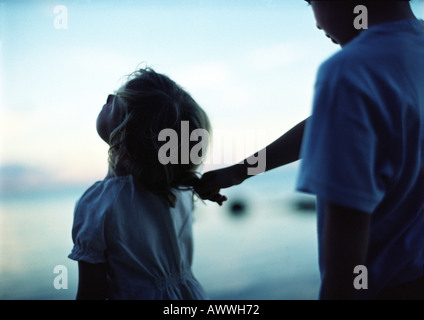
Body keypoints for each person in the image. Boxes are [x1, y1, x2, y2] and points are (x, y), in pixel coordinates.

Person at [195, 0, 424, 300]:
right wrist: (241, 171)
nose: (317, 23)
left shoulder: (350, 72)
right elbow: (331, 121)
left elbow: (347, 234)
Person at [68, 67, 211, 300]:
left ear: (124, 146)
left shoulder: (98, 205)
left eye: (117, 105)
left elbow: (90, 294)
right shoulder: (179, 190)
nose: (109, 98)